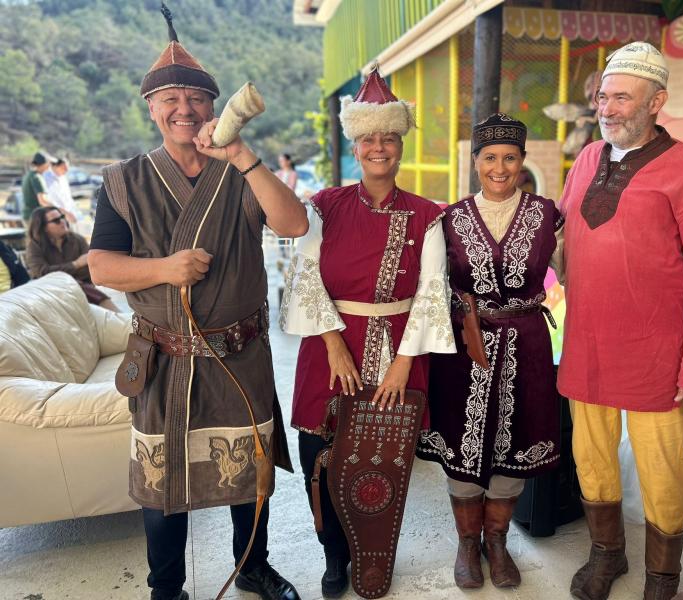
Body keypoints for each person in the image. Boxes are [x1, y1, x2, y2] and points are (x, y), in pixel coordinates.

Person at [86, 6, 307, 600]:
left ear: (213, 108)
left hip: (240, 352)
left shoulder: (241, 171)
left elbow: (294, 224)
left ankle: (253, 567)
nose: (184, 109)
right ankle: (166, 588)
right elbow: (101, 265)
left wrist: (241, 155)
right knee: (162, 482)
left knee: (249, 473)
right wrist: (165, 268)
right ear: (151, 108)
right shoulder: (124, 180)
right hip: (164, 358)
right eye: (170, 99)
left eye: (196, 99)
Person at [557, 42, 683, 600]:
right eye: (603, 97)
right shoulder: (587, 158)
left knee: (661, 470)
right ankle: (607, 554)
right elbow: (561, 236)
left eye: (622, 98)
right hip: (587, 345)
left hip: (658, 354)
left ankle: (662, 578)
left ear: (657, 102)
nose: (607, 109)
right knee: (592, 460)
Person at [280, 67, 455, 598]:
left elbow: (432, 290)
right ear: (355, 147)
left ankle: (373, 551)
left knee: (383, 456)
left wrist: (404, 362)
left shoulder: (426, 214)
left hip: (399, 347)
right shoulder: (323, 206)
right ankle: (333, 553)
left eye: (389, 138)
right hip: (329, 345)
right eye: (368, 138)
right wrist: (333, 342)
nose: (379, 147)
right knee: (320, 452)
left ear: (400, 145)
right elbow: (305, 275)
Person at [417, 113, 565, 590]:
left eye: (510, 158)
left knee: (515, 443)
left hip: (527, 343)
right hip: (464, 345)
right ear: (475, 162)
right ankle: (467, 544)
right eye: (490, 158)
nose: (499, 168)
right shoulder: (449, 219)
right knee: (462, 444)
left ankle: (497, 542)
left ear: (523, 161)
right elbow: (430, 284)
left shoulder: (548, 215)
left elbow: (576, 273)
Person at [26, 206, 119, 311]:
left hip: (84, 289)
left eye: (62, 217)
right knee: (77, 286)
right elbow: (41, 273)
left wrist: (61, 272)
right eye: (56, 220)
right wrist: (76, 264)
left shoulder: (77, 239)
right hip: (51, 293)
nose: (63, 221)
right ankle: (118, 315)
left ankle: (118, 316)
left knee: (78, 286)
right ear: (44, 227)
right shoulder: (34, 247)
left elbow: (91, 268)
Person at [43, 158, 79, 224]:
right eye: (64, 168)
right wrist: (65, 212)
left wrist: (74, 212)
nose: (67, 170)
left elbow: (67, 196)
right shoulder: (45, 178)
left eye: (67, 168)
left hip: (67, 215)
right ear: (55, 166)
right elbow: (47, 200)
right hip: (54, 216)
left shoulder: (63, 178)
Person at [21, 151, 52, 223]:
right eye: (48, 163)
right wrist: (58, 209)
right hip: (35, 217)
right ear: (44, 164)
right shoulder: (37, 177)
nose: (49, 166)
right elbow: (43, 201)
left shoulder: (28, 175)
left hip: (28, 216)